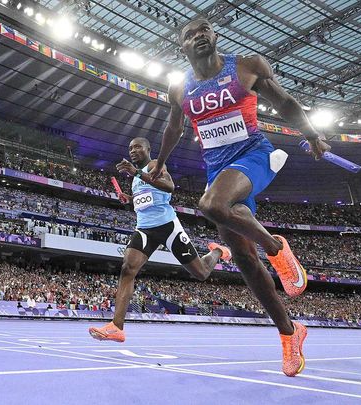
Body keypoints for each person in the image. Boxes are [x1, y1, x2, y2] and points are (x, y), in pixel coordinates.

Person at [149, 18, 331, 377]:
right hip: (218, 172)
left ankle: (277, 249)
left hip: (253, 155)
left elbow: (286, 102)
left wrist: (311, 134)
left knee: (211, 205)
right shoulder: (179, 88)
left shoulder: (247, 66)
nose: (199, 35)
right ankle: (290, 334)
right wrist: (161, 162)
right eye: (190, 34)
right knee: (245, 259)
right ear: (181, 47)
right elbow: (175, 126)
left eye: (205, 29)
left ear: (215, 36)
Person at [88, 137, 231, 342]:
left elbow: (168, 187)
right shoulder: (136, 178)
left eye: (137, 147)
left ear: (148, 149)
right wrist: (130, 198)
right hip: (144, 228)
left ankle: (217, 251)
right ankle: (116, 327)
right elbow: (148, 197)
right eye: (130, 148)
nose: (133, 150)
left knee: (201, 273)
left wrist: (137, 171)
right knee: (128, 268)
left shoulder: (154, 165)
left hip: (167, 226)